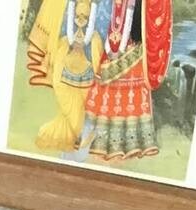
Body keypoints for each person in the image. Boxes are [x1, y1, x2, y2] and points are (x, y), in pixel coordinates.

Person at [77, 0, 173, 163]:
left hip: (136, 42)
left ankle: (132, 143)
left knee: (132, 94)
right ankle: (97, 140)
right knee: (106, 90)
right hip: (113, 40)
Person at [33, 1, 108, 151]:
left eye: (84, 17)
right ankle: (77, 136)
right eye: (78, 16)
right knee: (68, 106)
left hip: (86, 67)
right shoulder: (66, 28)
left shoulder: (95, 36)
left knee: (81, 108)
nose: (81, 19)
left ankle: (80, 136)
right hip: (67, 66)